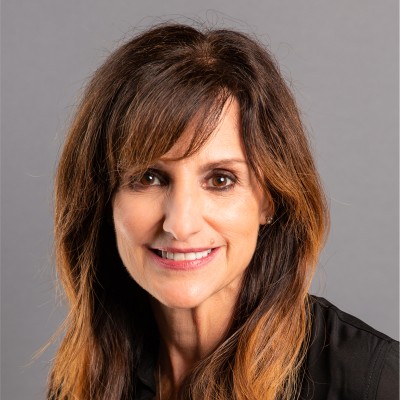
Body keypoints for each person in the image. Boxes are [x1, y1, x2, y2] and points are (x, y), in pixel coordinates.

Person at [48, 23, 399, 400]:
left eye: (220, 180)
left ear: (270, 199)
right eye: (149, 177)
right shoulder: (82, 383)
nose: (181, 224)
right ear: (104, 199)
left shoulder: (373, 382)